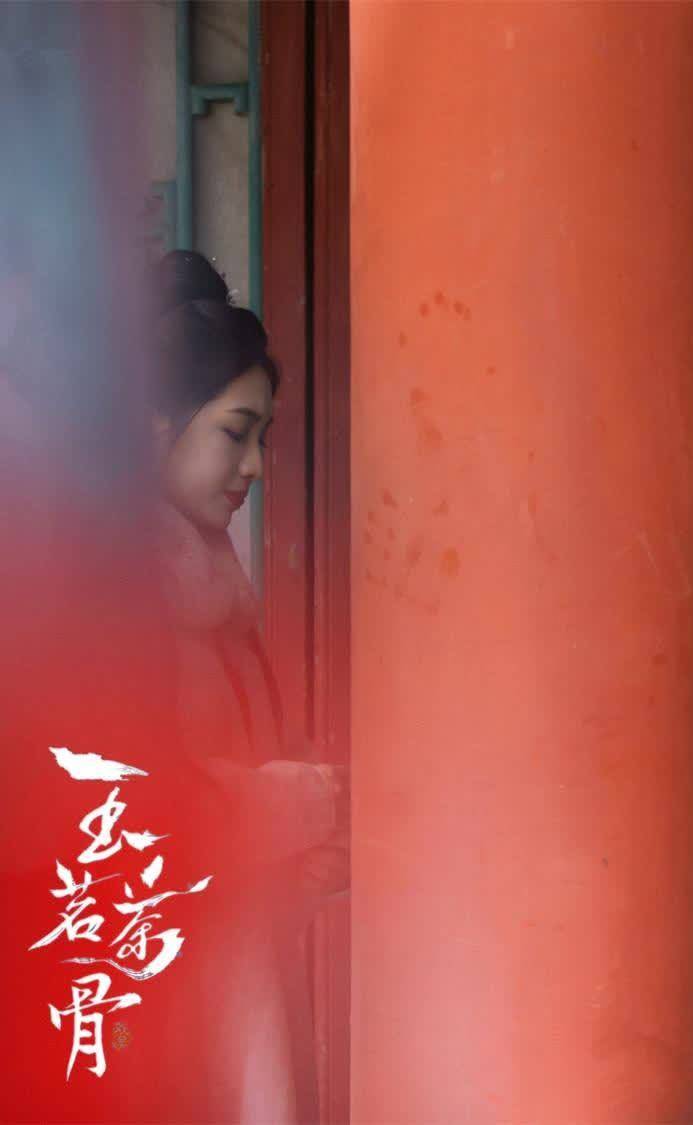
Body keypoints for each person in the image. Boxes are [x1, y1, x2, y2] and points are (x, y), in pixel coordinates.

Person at [147, 250, 345, 1121]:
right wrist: (301, 801)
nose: (257, 465)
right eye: (236, 433)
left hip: (231, 970)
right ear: (154, 425)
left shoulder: (212, 581)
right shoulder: (97, 587)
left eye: (261, 436)